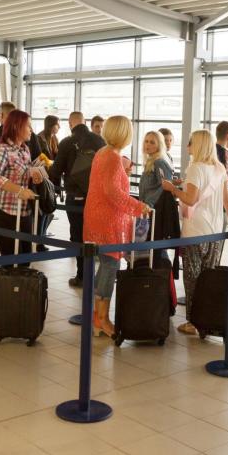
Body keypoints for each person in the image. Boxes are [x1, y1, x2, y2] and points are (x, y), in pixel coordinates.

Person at [162, 129, 228, 335]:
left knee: (192, 278)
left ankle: (192, 322)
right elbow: (226, 201)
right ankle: (206, 319)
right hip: (215, 232)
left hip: (195, 231)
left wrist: (172, 189)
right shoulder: (219, 167)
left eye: (190, 142)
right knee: (208, 278)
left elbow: (191, 200)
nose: (188, 146)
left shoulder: (195, 168)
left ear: (198, 145)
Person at [84, 115, 150, 338]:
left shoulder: (102, 153)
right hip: (108, 219)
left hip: (96, 215)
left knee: (105, 265)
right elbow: (113, 192)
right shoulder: (112, 157)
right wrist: (138, 205)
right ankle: (102, 318)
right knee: (110, 265)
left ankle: (97, 315)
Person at [0, 110, 46, 272]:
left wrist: (34, 175)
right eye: (28, 126)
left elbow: (22, 173)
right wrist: (18, 190)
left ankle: (19, 293)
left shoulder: (24, 150)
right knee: (10, 262)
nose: (31, 130)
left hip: (24, 211)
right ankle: (6, 292)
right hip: (5, 212)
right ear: (16, 127)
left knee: (25, 260)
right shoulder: (2, 150)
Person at [48, 111, 105, 287]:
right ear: (85, 122)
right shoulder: (99, 141)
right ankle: (96, 275)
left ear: (70, 124)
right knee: (93, 234)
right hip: (96, 197)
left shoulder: (66, 142)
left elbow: (56, 171)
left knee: (78, 235)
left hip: (75, 197)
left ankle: (82, 275)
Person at [138, 130, 175, 267]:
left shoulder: (159, 162)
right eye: (146, 141)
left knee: (157, 246)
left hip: (154, 211)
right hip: (147, 210)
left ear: (159, 145)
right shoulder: (150, 161)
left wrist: (149, 204)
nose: (148, 145)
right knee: (151, 246)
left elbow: (165, 186)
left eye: (152, 142)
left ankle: (163, 276)